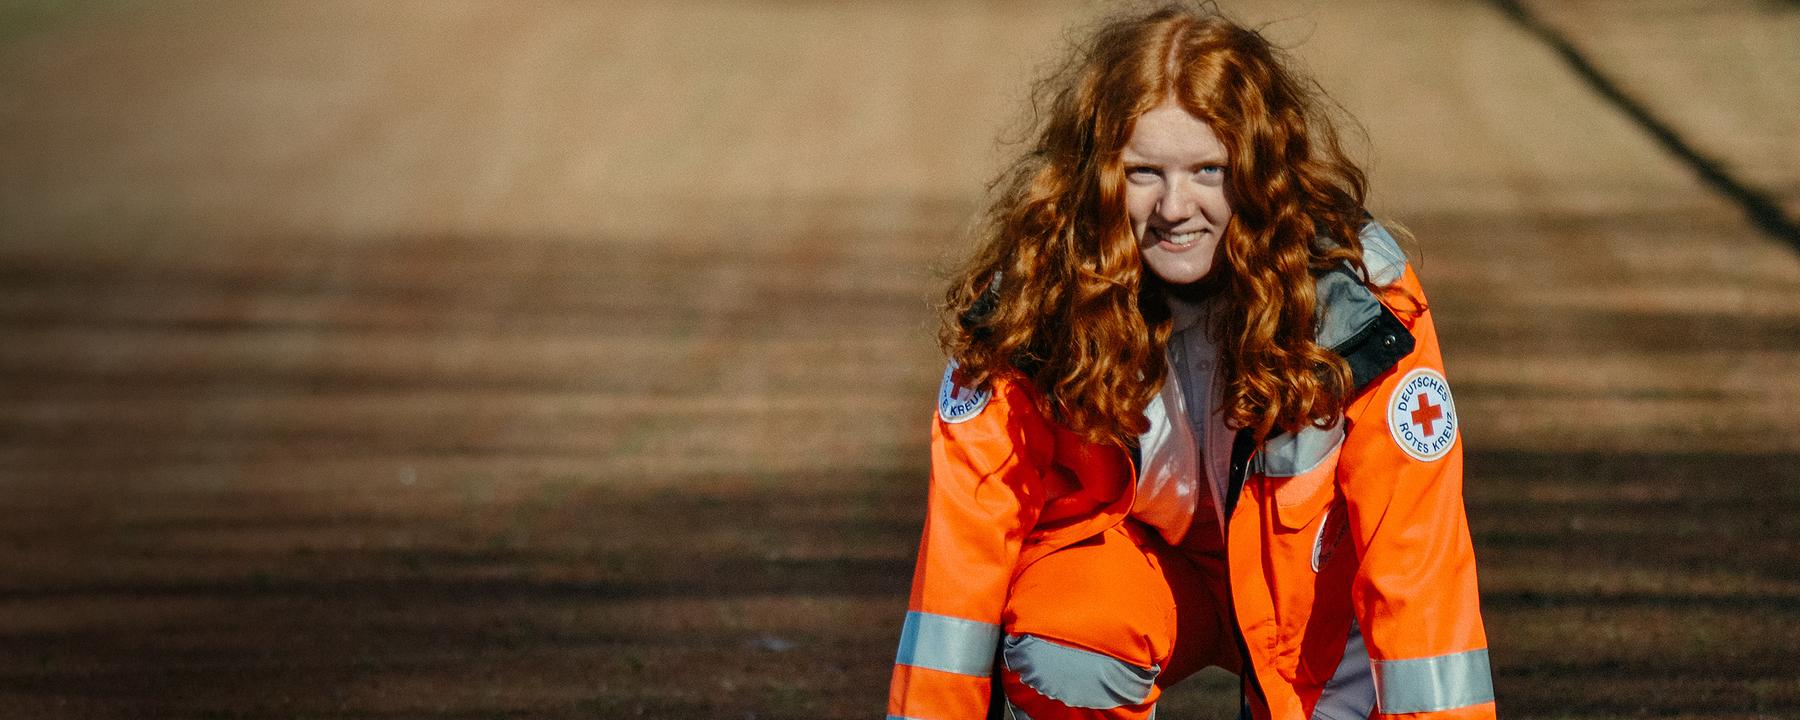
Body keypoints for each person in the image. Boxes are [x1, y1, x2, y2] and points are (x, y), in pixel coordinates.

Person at [886, 4, 1494, 720]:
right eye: (1144, 172)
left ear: (1261, 168)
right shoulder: (1029, 307)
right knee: (1065, 642)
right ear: (1098, 174)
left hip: (1312, 603)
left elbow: (1418, 561)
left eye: (1209, 169)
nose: (1176, 207)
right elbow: (962, 563)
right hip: (1134, 574)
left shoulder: (1362, 306)